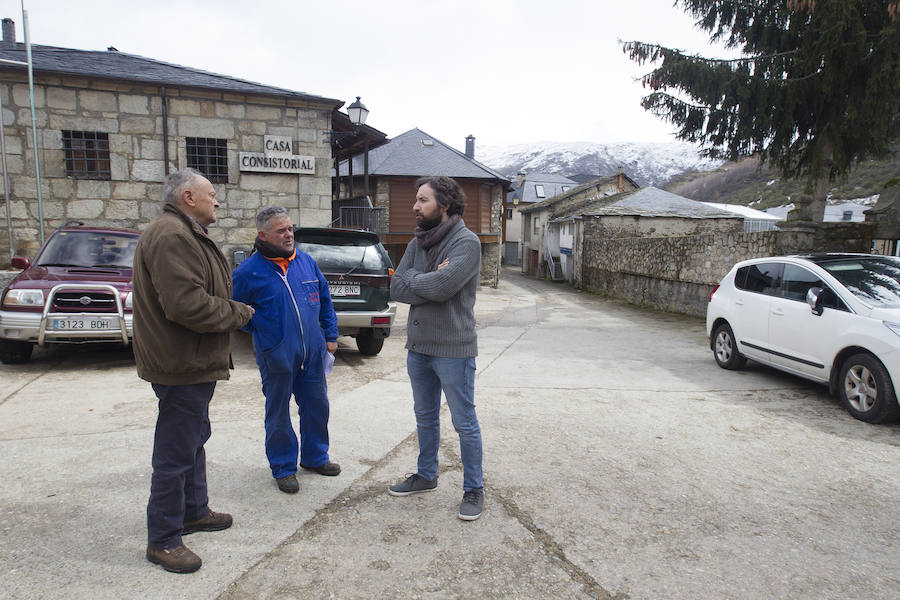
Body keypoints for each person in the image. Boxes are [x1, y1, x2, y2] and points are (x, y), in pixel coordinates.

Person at [133, 168, 254, 574]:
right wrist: (239, 313)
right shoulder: (172, 235)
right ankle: (164, 539)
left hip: (191, 360)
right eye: (210, 194)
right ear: (188, 197)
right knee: (175, 451)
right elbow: (186, 304)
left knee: (193, 439)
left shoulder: (184, 232)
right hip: (180, 362)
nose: (216, 201)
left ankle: (193, 511)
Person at [387, 176, 485, 521]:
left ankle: (474, 488)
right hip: (419, 346)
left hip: (453, 348)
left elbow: (443, 287)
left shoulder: (467, 243)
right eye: (416, 200)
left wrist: (416, 280)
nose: (415, 207)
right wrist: (420, 281)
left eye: (423, 201)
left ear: (444, 205)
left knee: (464, 422)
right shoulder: (417, 241)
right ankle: (426, 475)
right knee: (424, 417)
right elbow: (396, 287)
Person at [232, 206, 340, 495]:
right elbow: (238, 313)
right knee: (278, 412)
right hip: (276, 354)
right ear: (263, 235)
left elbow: (325, 300)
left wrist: (330, 334)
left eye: (290, 228)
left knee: (317, 406)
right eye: (281, 230)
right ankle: (283, 467)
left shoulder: (306, 262)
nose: (289, 234)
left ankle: (316, 457)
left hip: (313, 353)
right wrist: (267, 335)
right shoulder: (247, 272)